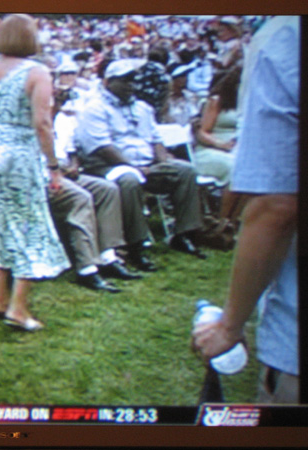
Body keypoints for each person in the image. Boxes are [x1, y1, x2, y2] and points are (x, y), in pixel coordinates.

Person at [193, 16, 299, 404]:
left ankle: (223, 223)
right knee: (234, 169)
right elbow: (204, 132)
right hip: (220, 149)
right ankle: (222, 222)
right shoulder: (219, 96)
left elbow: (277, 204)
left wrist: (230, 325)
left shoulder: (284, 37)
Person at [0, 14, 70, 331]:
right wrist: (53, 165)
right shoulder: (37, 72)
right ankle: (18, 309)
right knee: (29, 227)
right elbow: (42, 123)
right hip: (17, 155)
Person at [75, 59, 206, 266]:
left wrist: (163, 161)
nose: (130, 85)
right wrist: (133, 167)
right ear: (108, 82)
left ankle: (183, 234)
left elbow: (156, 139)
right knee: (129, 180)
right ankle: (136, 244)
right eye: (124, 81)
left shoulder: (143, 108)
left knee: (185, 170)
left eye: (132, 81)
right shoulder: (95, 108)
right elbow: (102, 147)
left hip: (145, 163)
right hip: (108, 166)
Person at [193, 66, 241, 185]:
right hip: (211, 150)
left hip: (238, 150)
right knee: (236, 167)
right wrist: (221, 144)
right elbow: (202, 132)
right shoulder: (216, 101)